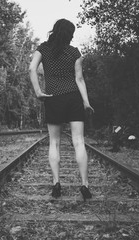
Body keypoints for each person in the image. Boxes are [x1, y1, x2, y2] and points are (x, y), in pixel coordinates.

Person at [29, 18, 94, 201]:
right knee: (79, 142)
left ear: (55, 30)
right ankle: (85, 185)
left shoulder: (43, 48)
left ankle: (56, 183)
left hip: (53, 98)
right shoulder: (74, 52)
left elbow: (32, 69)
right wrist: (86, 102)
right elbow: (79, 79)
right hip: (73, 97)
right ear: (69, 34)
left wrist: (38, 92)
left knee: (54, 143)